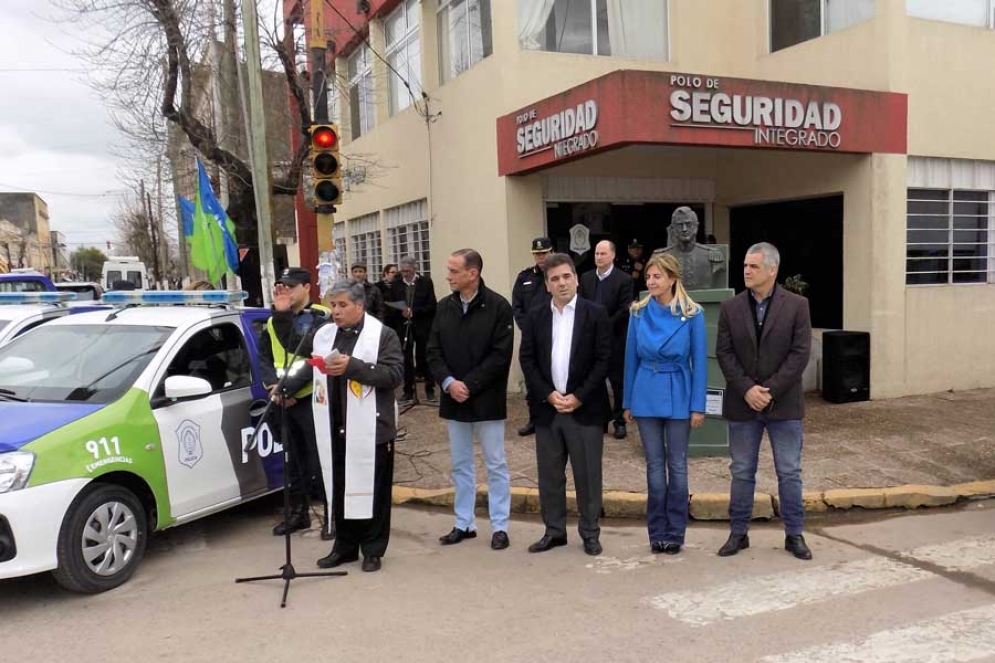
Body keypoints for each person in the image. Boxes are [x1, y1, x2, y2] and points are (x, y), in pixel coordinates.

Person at [715, 242, 813, 561]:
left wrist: (769, 390)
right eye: (745, 265)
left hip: (784, 405)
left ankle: (794, 534)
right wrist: (747, 390)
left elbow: (800, 354)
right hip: (742, 404)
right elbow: (724, 353)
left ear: (772, 270)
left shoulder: (797, 306)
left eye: (754, 266)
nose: (746, 270)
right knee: (742, 470)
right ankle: (738, 533)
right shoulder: (730, 308)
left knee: (789, 471)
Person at [520, 253, 610, 556]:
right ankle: (554, 531)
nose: (561, 283)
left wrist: (579, 396)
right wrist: (548, 394)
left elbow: (603, 360)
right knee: (550, 477)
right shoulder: (535, 316)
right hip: (548, 410)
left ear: (576, 279)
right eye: (554, 279)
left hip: (584, 409)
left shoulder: (595, 314)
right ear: (547, 285)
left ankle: (590, 533)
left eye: (566, 277)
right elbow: (527, 360)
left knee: (588, 476)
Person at [312, 279, 404, 573]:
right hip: (336, 423)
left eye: (343, 305)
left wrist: (353, 367)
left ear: (360, 306)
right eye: (333, 305)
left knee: (373, 490)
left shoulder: (383, 335)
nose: (336, 311)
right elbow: (310, 365)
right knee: (341, 487)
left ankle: (373, 550)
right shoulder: (326, 335)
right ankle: (345, 547)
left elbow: (394, 375)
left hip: (372, 427)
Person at [427, 249, 515, 551]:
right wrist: (449, 383)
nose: (448, 276)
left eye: (454, 271)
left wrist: (470, 384)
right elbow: (433, 351)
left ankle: (500, 526)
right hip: (454, 398)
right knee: (460, 464)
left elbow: (501, 355)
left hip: (487, 399)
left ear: (472, 273)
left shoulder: (499, 307)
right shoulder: (444, 307)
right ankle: (464, 522)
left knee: (495, 464)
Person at [623, 253, 707, 555]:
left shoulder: (692, 314)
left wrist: (698, 406)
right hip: (645, 391)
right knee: (655, 467)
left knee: (678, 466)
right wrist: (627, 402)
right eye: (648, 276)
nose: (650, 281)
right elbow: (630, 360)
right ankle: (656, 532)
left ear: (672, 278)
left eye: (657, 276)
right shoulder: (637, 313)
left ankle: (675, 532)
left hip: (679, 392)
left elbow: (700, 362)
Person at [257, 267, 331, 538]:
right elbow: (264, 358)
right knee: (293, 461)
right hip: (282, 400)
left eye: (291, 286)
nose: (285, 291)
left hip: (311, 398)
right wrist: (273, 387)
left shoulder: (321, 317)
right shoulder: (273, 320)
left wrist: (287, 389)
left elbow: (315, 360)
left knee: (321, 462)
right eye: (282, 286)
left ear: (307, 287)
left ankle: (332, 517)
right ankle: (299, 514)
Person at [579, 240, 634, 439]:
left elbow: (624, 309)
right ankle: (600, 419)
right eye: (596, 253)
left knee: (617, 383)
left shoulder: (624, 279)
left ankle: (619, 421)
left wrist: (603, 326)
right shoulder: (585, 278)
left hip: (615, 339)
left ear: (613, 255)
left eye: (603, 253)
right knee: (595, 381)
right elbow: (582, 305)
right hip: (591, 340)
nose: (599, 257)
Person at [511, 236, 552, 436]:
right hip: (531, 337)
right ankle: (534, 419)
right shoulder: (524, 277)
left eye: (544, 253)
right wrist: (527, 329)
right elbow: (517, 306)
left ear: (551, 252)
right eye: (537, 254)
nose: (541, 257)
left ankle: (553, 419)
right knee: (531, 379)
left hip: (553, 336)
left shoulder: (557, 276)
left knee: (553, 378)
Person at [389, 256, 438, 404]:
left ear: (415, 269)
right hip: (404, 326)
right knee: (406, 358)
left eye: (408, 271)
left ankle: (430, 389)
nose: (405, 274)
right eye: (403, 271)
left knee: (425, 356)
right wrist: (400, 310)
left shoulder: (425, 282)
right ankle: (408, 391)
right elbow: (391, 303)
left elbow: (432, 305)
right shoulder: (396, 283)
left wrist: (414, 312)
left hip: (422, 325)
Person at [653, 207, 727, 290]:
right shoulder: (660, 257)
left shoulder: (712, 256)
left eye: (688, 224)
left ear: (696, 226)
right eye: (680, 225)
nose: (684, 229)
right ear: (673, 229)